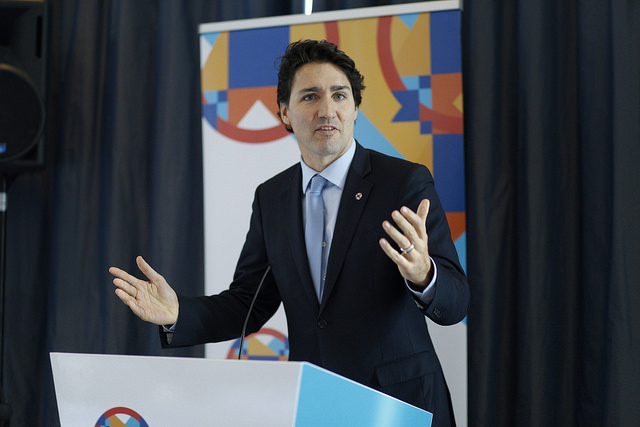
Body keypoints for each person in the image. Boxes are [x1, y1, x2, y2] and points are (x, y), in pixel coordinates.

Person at [110, 39, 469, 427]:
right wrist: (179, 313)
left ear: (355, 108)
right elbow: (247, 302)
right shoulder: (272, 198)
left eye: (339, 95)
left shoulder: (403, 182)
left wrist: (423, 274)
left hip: (398, 404)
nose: (327, 109)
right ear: (285, 112)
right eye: (310, 96)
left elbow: (456, 301)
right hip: (318, 405)